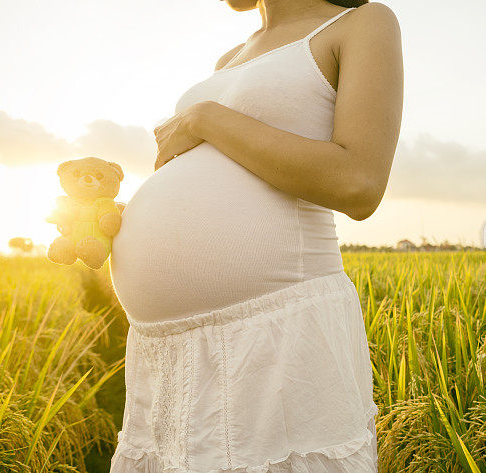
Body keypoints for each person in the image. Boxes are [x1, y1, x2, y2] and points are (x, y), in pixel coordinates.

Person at [108, 0, 403, 471]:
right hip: (170, 345)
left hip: (276, 325)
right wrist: (127, 220)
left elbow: (358, 183)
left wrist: (205, 118)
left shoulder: (360, 23)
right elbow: (217, 177)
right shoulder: (230, 57)